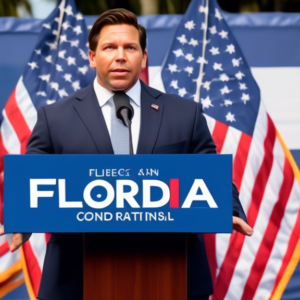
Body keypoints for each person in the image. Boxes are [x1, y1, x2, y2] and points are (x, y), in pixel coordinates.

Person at [0, 8, 253, 300]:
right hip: (76, 279)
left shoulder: (185, 114)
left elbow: (210, 171)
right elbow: (32, 179)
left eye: (130, 47)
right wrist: (20, 221)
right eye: (109, 47)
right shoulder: (54, 118)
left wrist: (228, 208)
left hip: (170, 277)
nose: (120, 55)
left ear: (143, 57)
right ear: (92, 57)